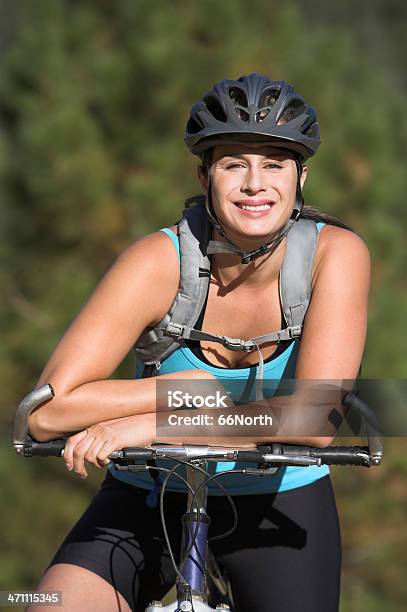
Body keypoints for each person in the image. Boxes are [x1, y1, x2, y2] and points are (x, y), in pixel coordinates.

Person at [26, 74, 370, 612]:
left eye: (274, 164)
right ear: (204, 174)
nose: (255, 184)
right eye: (234, 164)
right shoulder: (157, 262)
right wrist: (180, 389)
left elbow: (317, 416)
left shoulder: (336, 255)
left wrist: (168, 418)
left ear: (301, 176)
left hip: (279, 500)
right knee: (50, 605)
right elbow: (45, 416)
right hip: (149, 493)